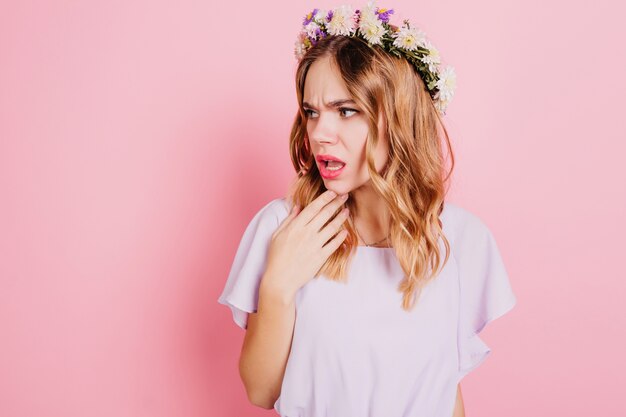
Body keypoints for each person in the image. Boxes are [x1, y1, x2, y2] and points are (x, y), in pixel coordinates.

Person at [217, 2, 517, 416]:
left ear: (398, 118)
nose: (320, 134)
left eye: (346, 111)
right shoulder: (283, 228)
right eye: (311, 112)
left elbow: (446, 393)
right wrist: (278, 286)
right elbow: (261, 391)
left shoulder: (462, 240)